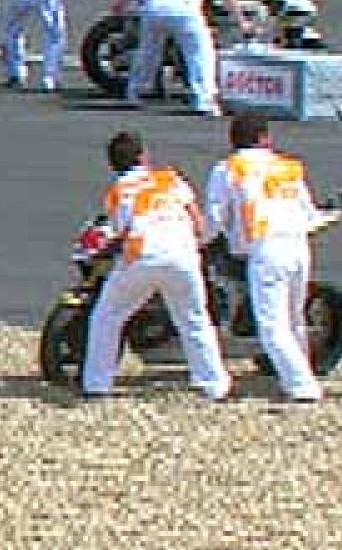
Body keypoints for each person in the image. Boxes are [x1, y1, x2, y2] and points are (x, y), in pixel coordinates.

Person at [80, 130, 230, 401]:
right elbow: (198, 221)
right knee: (194, 319)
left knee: (108, 316)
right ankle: (213, 385)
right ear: (143, 156)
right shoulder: (170, 178)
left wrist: (105, 250)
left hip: (142, 254)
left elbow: (120, 232)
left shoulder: (118, 190)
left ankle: (97, 384)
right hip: (182, 254)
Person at [204, 113, 328, 402]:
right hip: (298, 244)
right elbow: (309, 212)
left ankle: (303, 387)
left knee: (272, 326)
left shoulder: (228, 168)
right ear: (264, 138)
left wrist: (200, 239)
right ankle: (299, 374)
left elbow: (214, 217)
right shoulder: (288, 166)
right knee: (294, 318)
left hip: (264, 247)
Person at [118, 0, 247, 116]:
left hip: (154, 4)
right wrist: (241, 21)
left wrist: (120, 3)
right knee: (200, 52)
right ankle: (204, 100)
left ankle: (135, 91)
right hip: (184, 8)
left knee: (148, 50)